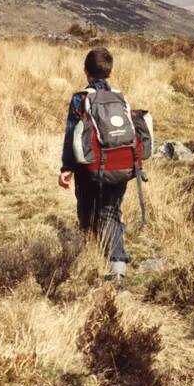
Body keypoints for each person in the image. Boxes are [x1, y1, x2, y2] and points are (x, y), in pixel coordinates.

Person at [59, 47, 130, 285]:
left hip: (89, 167)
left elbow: (72, 134)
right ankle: (118, 270)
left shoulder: (80, 98)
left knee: (87, 214)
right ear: (109, 72)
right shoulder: (120, 97)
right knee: (111, 213)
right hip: (120, 165)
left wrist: (66, 168)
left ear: (86, 71)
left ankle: (91, 261)